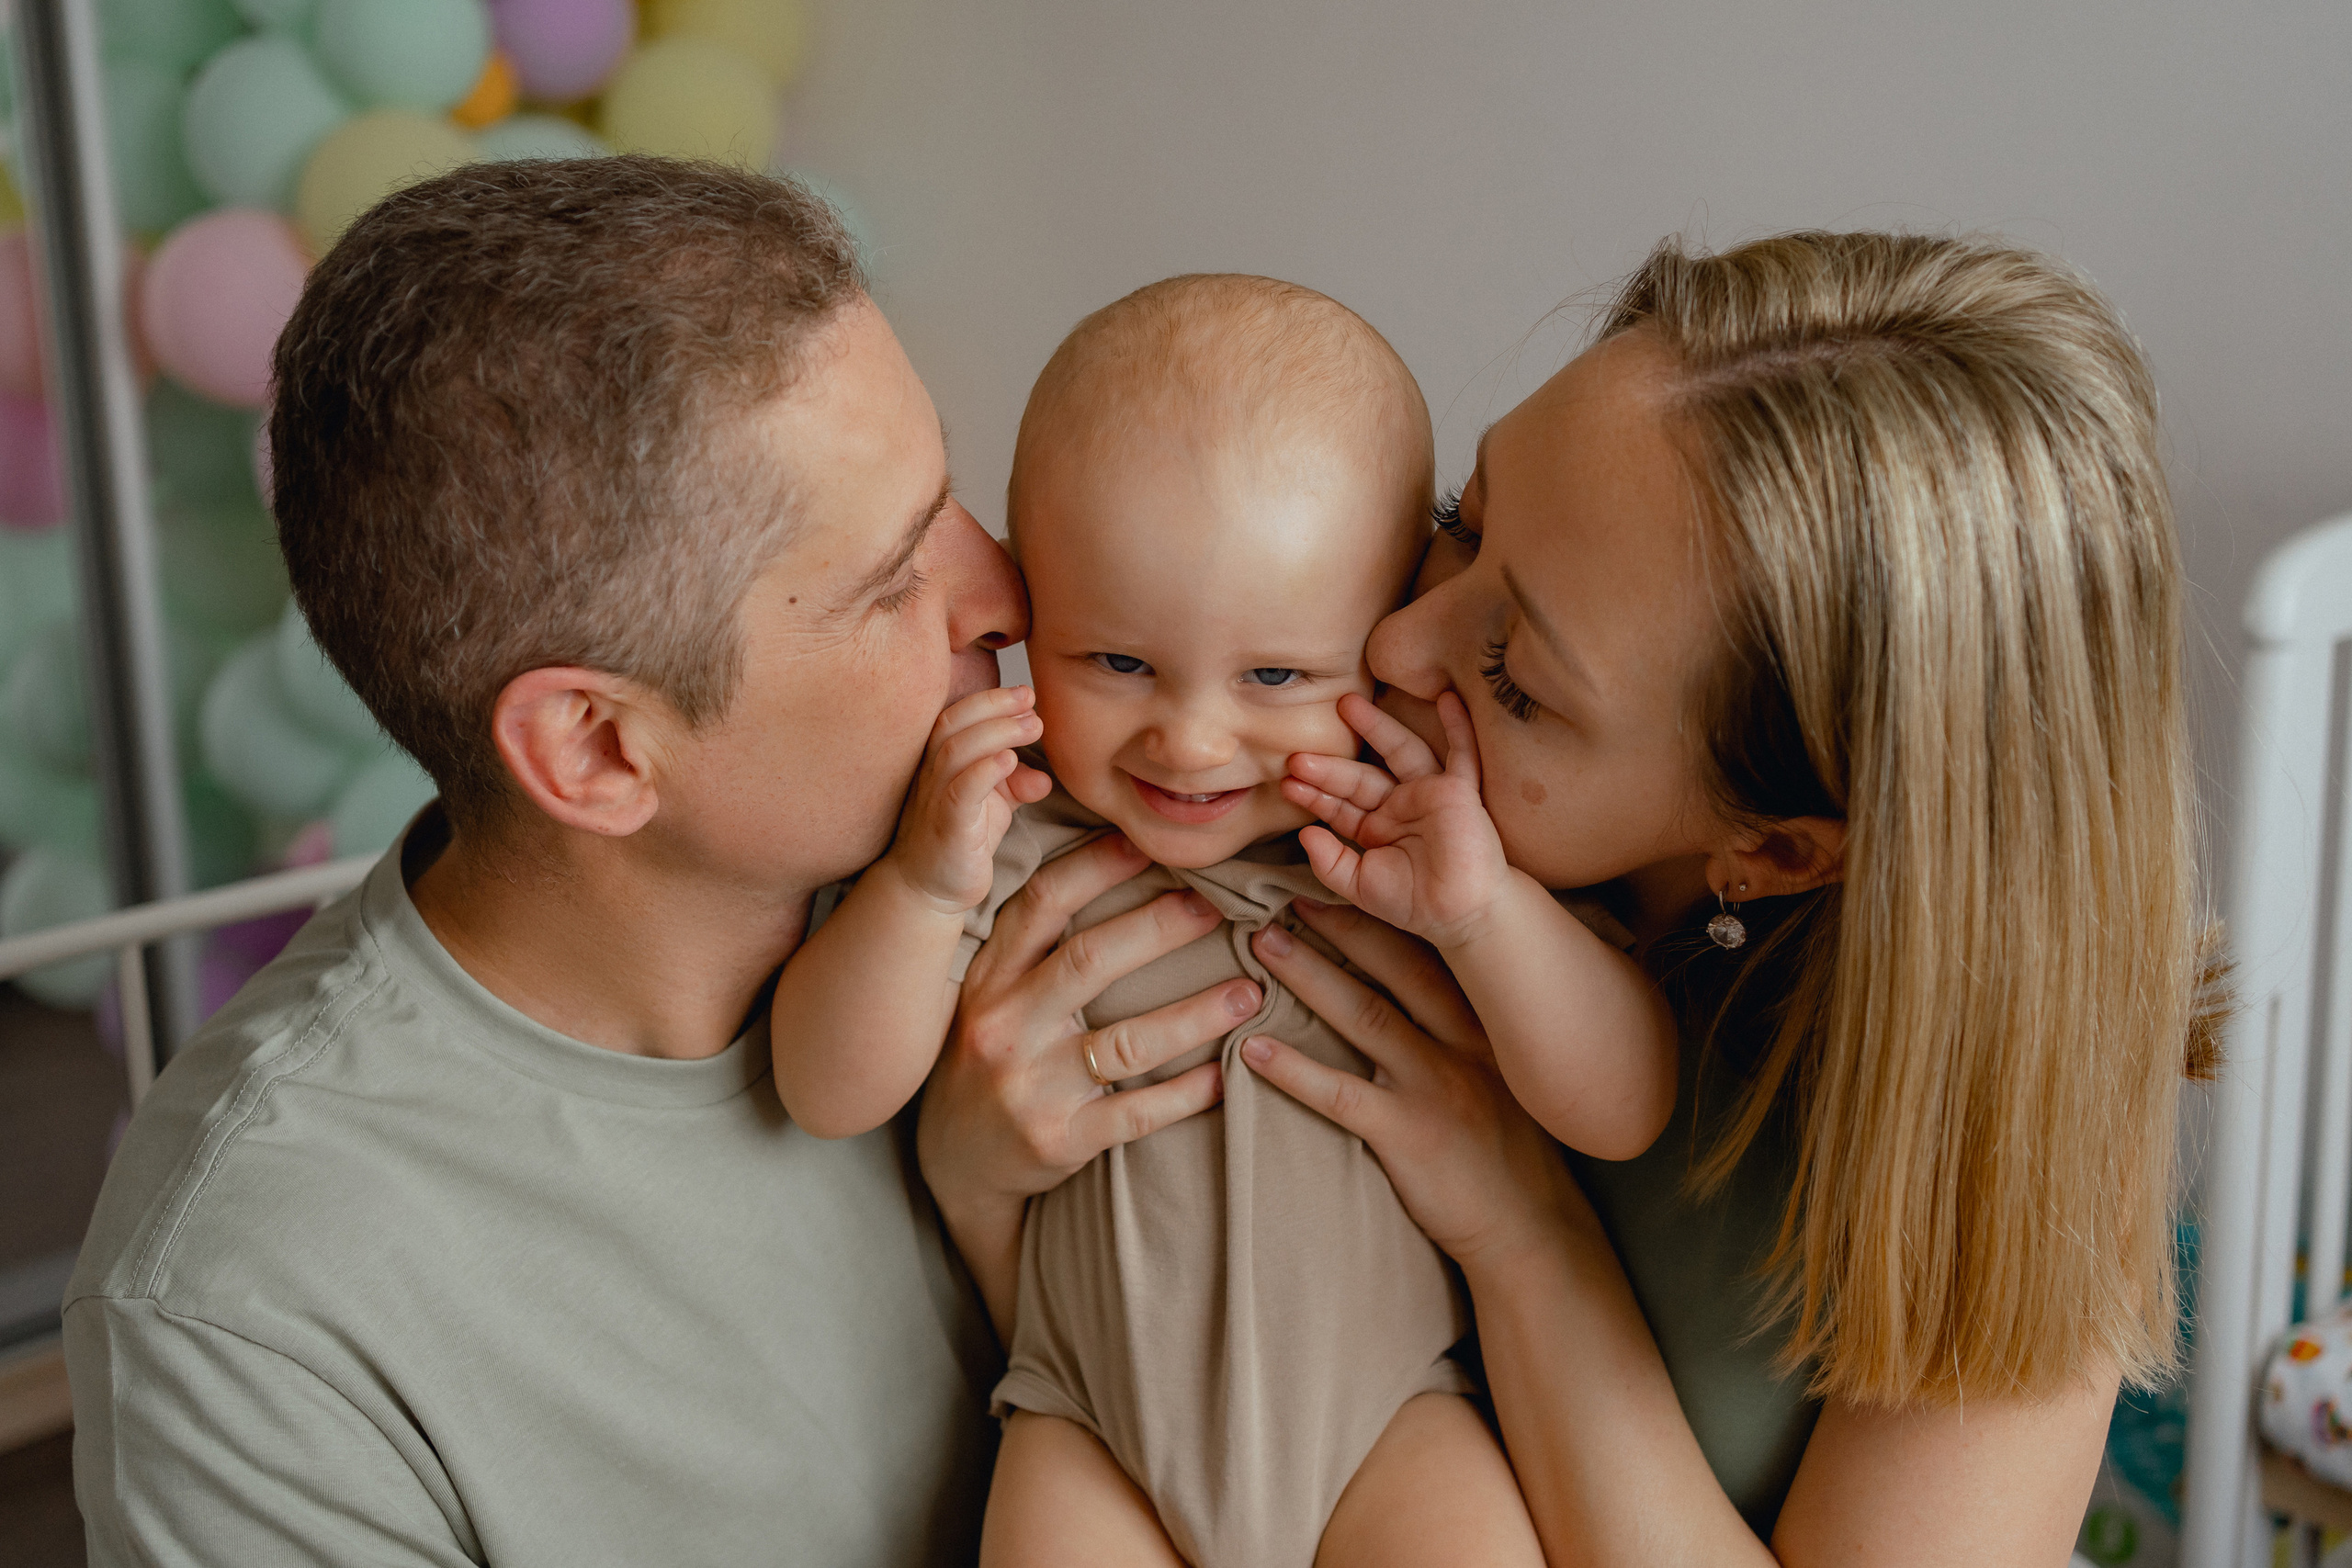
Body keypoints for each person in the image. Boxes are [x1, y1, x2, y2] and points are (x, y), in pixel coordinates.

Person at [63, 158, 1244, 1566]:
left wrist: (988, 1212)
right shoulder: (250, 1312)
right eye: (891, 581)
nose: (1001, 594)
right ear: (599, 750)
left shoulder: (1030, 873)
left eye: (950, 498)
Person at [1237, 231, 2221, 1564]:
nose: (1394, 643)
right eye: (1464, 517)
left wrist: (1521, 1226)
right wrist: (979, 1183)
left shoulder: (2007, 1137)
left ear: (1784, 850)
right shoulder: (1331, 769)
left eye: (1518, 676)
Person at [769, 274, 1675, 1566]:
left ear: (1385, 641)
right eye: (1117, 661)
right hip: (1087, 1435)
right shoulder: (1005, 843)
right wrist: (921, 893)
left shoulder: (1414, 852)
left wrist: (1485, 918)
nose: (1191, 738)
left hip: (1393, 1427)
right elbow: (822, 1087)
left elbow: (1625, 1104)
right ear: (1035, 610)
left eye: (1276, 676)